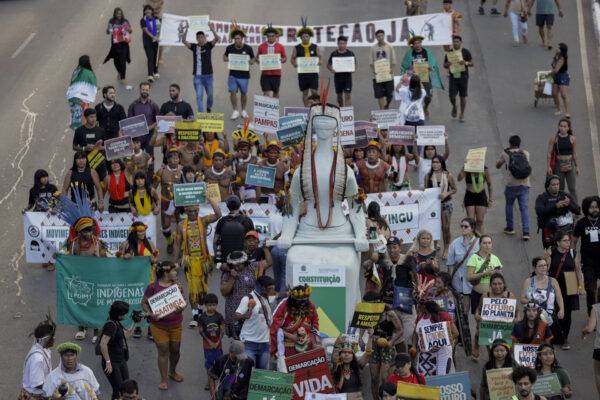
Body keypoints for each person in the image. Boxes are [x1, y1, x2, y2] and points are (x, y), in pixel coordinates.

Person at [175, 202, 222, 327]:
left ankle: (200, 311)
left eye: (196, 211)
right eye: (190, 211)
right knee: (192, 290)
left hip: (203, 261)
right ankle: (195, 316)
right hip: (189, 261)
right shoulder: (181, 225)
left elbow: (218, 214)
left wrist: (210, 199)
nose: (193, 213)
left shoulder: (203, 221)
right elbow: (178, 243)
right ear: (186, 211)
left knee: (203, 290)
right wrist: (175, 261)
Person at [142, 261, 185, 390]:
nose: (176, 273)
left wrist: (182, 307)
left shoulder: (177, 286)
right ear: (166, 272)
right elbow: (144, 303)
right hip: (158, 326)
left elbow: (184, 301)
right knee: (163, 351)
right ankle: (163, 379)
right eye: (173, 271)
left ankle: (172, 371)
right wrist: (150, 313)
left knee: (175, 350)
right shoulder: (152, 287)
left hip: (176, 325)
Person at [546, 232, 582, 348]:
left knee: (567, 313)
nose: (568, 243)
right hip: (555, 287)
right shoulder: (551, 253)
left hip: (570, 287)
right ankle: (554, 336)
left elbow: (578, 270)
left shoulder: (573, 253)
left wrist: (580, 286)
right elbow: (545, 269)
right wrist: (546, 257)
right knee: (554, 311)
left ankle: (564, 337)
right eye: (565, 241)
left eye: (568, 240)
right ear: (558, 242)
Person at [474, 273, 518, 358]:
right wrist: (477, 315)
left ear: (504, 284)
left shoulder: (510, 296)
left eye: (500, 284)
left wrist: (516, 319)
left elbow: (517, 311)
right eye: (494, 284)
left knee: (507, 354)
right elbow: (478, 310)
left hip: (506, 329)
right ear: (490, 285)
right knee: (492, 354)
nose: (497, 286)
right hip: (489, 329)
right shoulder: (485, 296)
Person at [496, 134, 531, 240]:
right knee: (524, 208)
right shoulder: (526, 153)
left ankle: (510, 227)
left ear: (510, 143)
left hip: (511, 185)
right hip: (524, 184)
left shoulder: (505, 154)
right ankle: (526, 232)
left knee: (509, 205)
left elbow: (498, 165)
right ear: (519, 143)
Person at [98, 301, 135, 400]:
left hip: (121, 360)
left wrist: (135, 322)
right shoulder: (111, 325)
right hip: (113, 362)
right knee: (118, 390)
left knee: (126, 387)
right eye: (124, 313)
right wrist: (108, 362)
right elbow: (102, 344)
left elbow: (126, 335)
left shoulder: (116, 322)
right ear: (118, 314)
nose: (126, 315)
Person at [234, 275, 273, 370]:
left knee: (263, 372)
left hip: (264, 343)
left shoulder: (266, 298)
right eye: (269, 289)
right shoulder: (248, 298)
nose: (271, 291)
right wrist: (245, 315)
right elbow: (236, 315)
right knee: (249, 370)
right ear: (262, 287)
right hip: (249, 343)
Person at [368, 294, 403, 400]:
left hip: (386, 344)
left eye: (375, 303)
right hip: (374, 344)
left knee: (384, 377)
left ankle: (387, 397)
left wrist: (392, 341)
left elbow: (400, 330)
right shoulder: (369, 312)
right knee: (374, 377)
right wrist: (360, 338)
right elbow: (363, 324)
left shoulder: (389, 313)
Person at [400, 35, 443, 117]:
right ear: (413, 45)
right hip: (414, 79)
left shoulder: (427, 52)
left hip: (426, 78)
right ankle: (414, 111)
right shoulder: (409, 54)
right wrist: (409, 68)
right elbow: (404, 66)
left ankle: (425, 107)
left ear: (421, 43)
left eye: (419, 43)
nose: (417, 45)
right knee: (413, 96)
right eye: (415, 43)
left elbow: (433, 64)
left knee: (429, 96)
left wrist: (431, 67)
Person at [534, 174, 580, 249]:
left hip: (566, 230)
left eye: (558, 184)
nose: (556, 186)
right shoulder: (542, 197)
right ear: (548, 186)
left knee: (567, 252)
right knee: (550, 253)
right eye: (553, 185)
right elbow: (540, 212)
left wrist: (569, 204)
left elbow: (578, 210)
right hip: (550, 231)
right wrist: (555, 206)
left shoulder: (565, 195)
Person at [414, 300, 458, 376]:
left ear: (425, 307)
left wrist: (439, 343)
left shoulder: (442, 316)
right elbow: (415, 333)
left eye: (420, 305)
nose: (418, 307)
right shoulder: (420, 316)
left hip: (442, 354)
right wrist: (414, 346)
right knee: (424, 379)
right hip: (424, 356)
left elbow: (455, 333)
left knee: (441, 377)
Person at [425, 155, 457, 259]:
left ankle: (446, 248)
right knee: (434, 227)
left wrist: (446, 193)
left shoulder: (448, 175)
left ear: (442, 163)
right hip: (433, 205)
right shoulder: (428, 176)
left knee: (445, 228)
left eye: (438, 162)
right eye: (433, 162)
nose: (435, 164)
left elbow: (454, 189)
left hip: (446, 204)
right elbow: (426, 191)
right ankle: (433, 247)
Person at [183, 24, 220, 112]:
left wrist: (212, 29)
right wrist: (187, 29)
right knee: (199, 96)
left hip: (208, 76)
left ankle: (209, 106)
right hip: (198, 77)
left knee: (210, 95)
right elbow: (183, 40)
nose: (200, 39)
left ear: (204, 38)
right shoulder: (194, 47)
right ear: (196, 39)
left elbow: (217, 38)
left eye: (201, 37)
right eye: (198, 37)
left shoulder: (209, 45)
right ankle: (201, 114)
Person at [573, 195, 600, 314]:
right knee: (590, 289)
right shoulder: (581, 223)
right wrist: (573, 256)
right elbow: (574, 241)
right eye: (592, 207)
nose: (595, 209)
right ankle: (592, 314)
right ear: (586, 208)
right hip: (588, 262)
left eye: (597, 207)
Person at [153, 148, 183, 254]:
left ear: (179, 159)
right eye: (171, 156)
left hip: (180, 202)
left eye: (176, 156)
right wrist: (156, 204)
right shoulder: (161, 171)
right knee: (165, 226)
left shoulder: (183, 170)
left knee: (182, 224)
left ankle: (181, 244)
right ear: (167, 159)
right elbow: (153, 188)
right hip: (166, 201)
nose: (174, 158)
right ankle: (170, 242)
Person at [220, 251, 256, 339]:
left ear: (244, 262)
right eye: (234, 265)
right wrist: (232, 277)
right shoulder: (227, 273)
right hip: (234, 310)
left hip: (250, 308)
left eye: (239, 265)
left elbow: (268, 263)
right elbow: (224, 291)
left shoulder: (251, 268)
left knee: (251, 336)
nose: (236, 267)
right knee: (238, 338)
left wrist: (266, 248)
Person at [448, 217, 480, 315]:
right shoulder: (454, 243)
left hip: (475, 283)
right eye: (461, 226)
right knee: (461, 313)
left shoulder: (479, 243)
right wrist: (449, 283)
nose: (463, 228)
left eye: (466, 226)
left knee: (478, 313)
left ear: (472, 228)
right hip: (458, 283)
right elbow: (450, 264)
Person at [521, 256, 565, 328]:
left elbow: (559, 297)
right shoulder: (528, 281)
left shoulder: (553, 281)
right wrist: (532, 301)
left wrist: (562, 310)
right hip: (532, 317)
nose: (544, 267)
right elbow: (522, 299)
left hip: (548, 318)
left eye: (545, 265)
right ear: (534, 268)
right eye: (541, 266)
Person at [223, 26, 255, 120]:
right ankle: (235, 111)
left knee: (243, 93)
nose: (237, 40)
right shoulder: (229, 48)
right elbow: (224, 57)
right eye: (235, 38)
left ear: (242, 38)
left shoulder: (248, 48)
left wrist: (251, 61)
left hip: (244, 75)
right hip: (233, 75)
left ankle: (243, 110)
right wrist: (228, 59)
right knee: (232, 92)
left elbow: (253, 58)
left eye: (238, 38)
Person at [20, 315, 55, 400]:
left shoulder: (42, 348)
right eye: (52, 337)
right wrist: (54, 386)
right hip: (34, 397)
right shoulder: (38, 359)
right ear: (46, 340)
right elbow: (38, 384)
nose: (54, 338)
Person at [214, 195, 254, 264]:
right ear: (240, 205)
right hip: (243, 260)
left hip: (226, 260)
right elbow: (252, 240)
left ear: (227, 206)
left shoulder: (222, 221)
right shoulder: (247, 220)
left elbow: (215, 241)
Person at [331, 335, 372, 399]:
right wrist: (336, 346)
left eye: (349, 352)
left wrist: (370, 337)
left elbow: (368, 353)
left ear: (353, 356)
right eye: (344, 352)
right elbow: (334, 359)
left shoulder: (358, 367)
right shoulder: (336, 368)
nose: (346, 354)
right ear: (340, 355)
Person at [291, 20, 321, 107]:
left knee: (314, 92)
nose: (305, 38)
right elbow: (292, 59)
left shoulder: (315, 47)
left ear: (309, 37)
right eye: (303, 37)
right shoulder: (297, 47)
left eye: (307, 36)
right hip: (303, 74)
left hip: (313, 73)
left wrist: (320, 61)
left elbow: (320, 57)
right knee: (305, 93)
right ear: (301, 38)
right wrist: (294, 64)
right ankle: (306, 109)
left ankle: (316, 108)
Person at [72, 107, 108, 181]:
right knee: (87, 182)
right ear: (85, 117)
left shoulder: (101, 130)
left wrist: (100, 148)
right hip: (85, 161)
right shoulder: (79, 130)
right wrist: (84, 148)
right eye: (91, 117)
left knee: (105, 181)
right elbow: (74, 146)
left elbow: (107, 146)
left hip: (99, 160)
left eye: (95, 117)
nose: (93, 119)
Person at [198, 293, 225, 391]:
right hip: (207, 344)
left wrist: (218, 341)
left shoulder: (219, 316)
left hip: (218, 344)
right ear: (205, 305)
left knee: (219, 362)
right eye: (209, 305)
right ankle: (209, 381)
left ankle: (220, 381)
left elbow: (222, 330)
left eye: (214, 305)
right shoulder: (202, 317)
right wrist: (209, 341)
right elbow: (201, 331)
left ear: (216, 305)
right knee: (209, 363)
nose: (212, 307)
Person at [443, 35, 473, 122]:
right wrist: (447, 64)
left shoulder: (465, 51)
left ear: (461, 42)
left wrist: (465, 63)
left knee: (462, 96)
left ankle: (462, 114)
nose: (455, 43)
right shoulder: (449, 52)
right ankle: (454, 106)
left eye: (457, 41)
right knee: (451, 96)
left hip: (463, 77)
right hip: (453, 77)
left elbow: (472, 63)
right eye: (454, 42)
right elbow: (444, 65)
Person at [547, 118, 577, 201]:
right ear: (558, 127)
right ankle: (561, 205)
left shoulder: (572, 138)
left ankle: (575, 206)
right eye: (561, 126)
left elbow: (574, 153)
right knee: (560, 188)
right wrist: (548, 167)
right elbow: (549, 153)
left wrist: (577, 166)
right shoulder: (554, 139)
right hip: (558, 165)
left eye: (564, 126)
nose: (562, 128)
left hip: (570, 164)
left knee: (572, 188)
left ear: (568, 128)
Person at [458, 165, 493, 234]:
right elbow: (459, 179)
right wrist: (463, 170)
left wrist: (490, 199)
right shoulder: (467, 168)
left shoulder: (484, 168)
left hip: (481, 195)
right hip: (469, 195)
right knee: (471, 221)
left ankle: (481, 238)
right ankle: (471, 238)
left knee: (480, 220)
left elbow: (489, 184)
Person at [127, 82, 159, 153]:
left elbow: (158, 120)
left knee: (149, 156)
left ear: (149, 91)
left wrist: (149, 128)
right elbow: (129, 121)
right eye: (143, 89)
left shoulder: (154, 105)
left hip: (149, 135)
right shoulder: (133, 105)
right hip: (136, 136)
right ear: (140, 90)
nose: (145, 91)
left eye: (146, 90)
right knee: (136, 155)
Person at [104, 8, 132, 89]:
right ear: (114, 14)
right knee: (116, 61)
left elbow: (130, 31)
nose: (119, 15)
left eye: (120, 13)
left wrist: (128, 29)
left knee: (123, 61)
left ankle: (123, 77)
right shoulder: (112, 21)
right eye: (117, 14)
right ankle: (119, 72)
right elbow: (108, 32)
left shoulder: (125, 21)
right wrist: (108, 30)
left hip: (124, 44)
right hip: (115, 44)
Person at [66, 55, 96, 130]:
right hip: (81, 98)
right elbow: (92, 85)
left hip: (72, 96)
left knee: (76, 113)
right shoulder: (88, 72)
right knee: (83, 114)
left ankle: (77, 127)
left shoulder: (76, 70)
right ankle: (82, 130)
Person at [257, 25, 287, 98]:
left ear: (276, 36)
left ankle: (275, 105)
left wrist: (282, 60)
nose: (271, 37)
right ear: (267, 37)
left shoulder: (280, 46)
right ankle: (266, 105)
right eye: (269, 36)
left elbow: (285, 58)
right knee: (266, 93)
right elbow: (257, 58)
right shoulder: (261, 46)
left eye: (272, 36)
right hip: (265, 74)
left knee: (276, 92)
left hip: (276, 74)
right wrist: (258, 61)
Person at [370, 29, 396, 109]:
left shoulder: (390, 47)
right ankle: (382, 111)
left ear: (384, 36)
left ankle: (386, 105)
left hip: (388, 75)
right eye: (378, 36)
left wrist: (392, 69)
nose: (380, 37)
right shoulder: (373, 48)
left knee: (390, 95)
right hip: (378, 76)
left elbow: (393, 60)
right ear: (376, 37)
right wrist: (374, 70)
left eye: (381, 36)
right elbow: (371, 62)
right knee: (379, 95)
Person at [327, 36, 355, 106]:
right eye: (340, 43)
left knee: (348, 95)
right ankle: (341, 109)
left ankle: (348, 111)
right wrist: (331, 69)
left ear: (346, 44)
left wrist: (353, 69)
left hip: (347, 77)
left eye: (343, 43)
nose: (342, 45)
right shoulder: (334, 54)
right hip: (338, 78)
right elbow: (328, 65)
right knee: (339, 96)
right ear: (337, 44)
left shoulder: (350, 53)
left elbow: (355, 64)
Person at [582, 287, 600, 396]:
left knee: (598, 373)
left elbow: (589, 328)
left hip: (599, 347)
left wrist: (583, 332)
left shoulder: (596, 308)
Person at [140, 5, 160, 82]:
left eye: (149, 9)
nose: (148, 11)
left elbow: (162, 27)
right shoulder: (143, 20)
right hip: (147, 42)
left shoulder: (157, 19)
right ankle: (150, 75)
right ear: (144, 12)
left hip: (156, 41)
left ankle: (156, 71)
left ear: (152, 11)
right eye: (146, 9)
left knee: (156, 57)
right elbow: (146, 31)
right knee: (150, 57)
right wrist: (153, 37)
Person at [550, 43, 570, 117]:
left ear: (561, 50)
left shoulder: (562, 58)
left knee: (563, 94)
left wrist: (549, 75)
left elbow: (556, 70)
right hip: (556, 76)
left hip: (562, 76)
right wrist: (555, 57)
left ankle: (567, 112)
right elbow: (553, 65)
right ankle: (559, 109)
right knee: (554, 93)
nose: (556, 48)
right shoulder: (557, 56)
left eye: (558, 47)